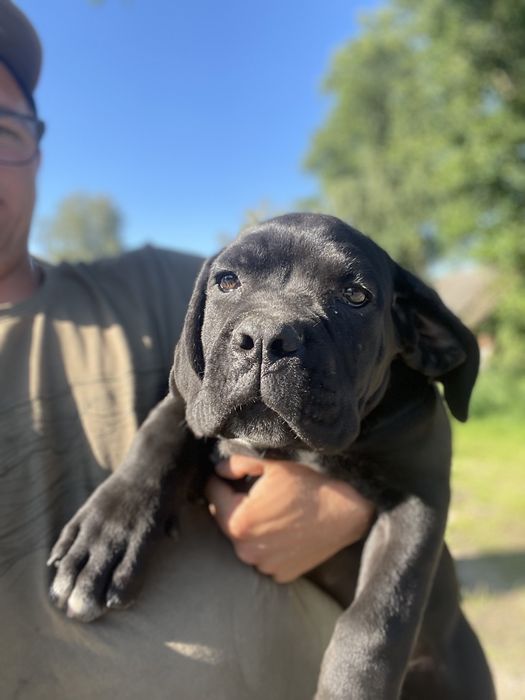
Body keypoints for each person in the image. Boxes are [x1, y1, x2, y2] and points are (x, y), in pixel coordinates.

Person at [0, 2, 374, 698]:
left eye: (0, 128)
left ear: (38, 151)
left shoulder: (162, 286)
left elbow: (385, 364)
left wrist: (350, 499)